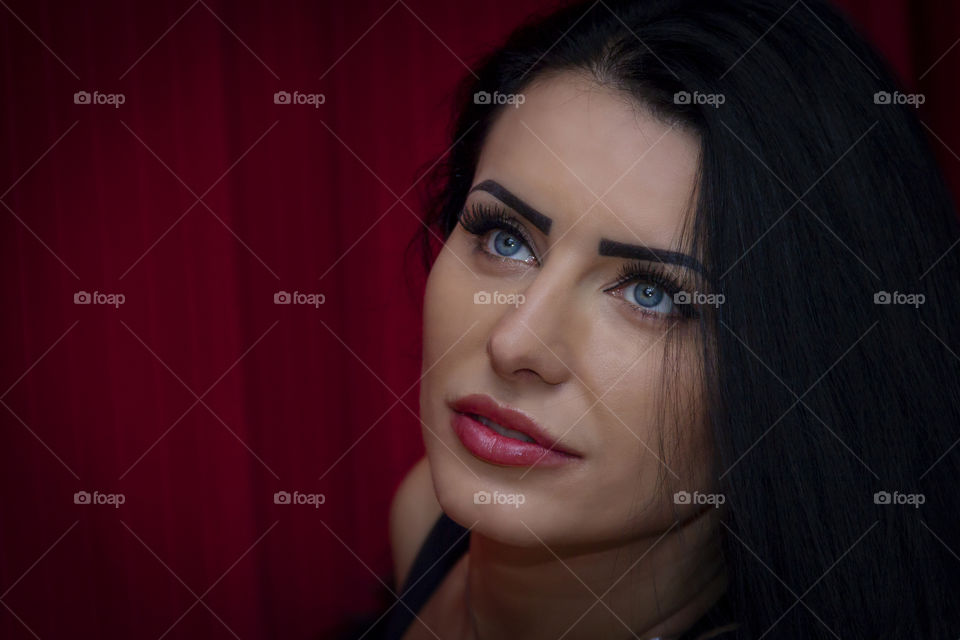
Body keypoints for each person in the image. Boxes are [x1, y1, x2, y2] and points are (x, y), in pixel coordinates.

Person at [351, 0, 960, 637]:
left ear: (801, 368)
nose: (515, 341)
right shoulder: (424, 516)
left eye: (651, 293)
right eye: (506, 238)